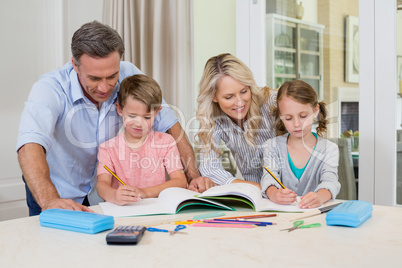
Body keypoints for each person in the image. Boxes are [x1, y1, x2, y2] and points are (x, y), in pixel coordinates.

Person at [16, 21, 202, 216]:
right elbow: (30, 144)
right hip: (55, 190)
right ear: (75, 65)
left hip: (101, 196)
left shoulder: (129, 73)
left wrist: (194, 177)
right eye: (94, 79)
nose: (104, 88)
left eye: (112, 76)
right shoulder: (49, 88)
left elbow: (169, 123)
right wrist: (49, 200)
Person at [96, 74, 187, 205]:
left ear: (157, 112)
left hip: (157, 210)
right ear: (120, 109)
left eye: (146, 117)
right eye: (132, 116)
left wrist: (144, 192)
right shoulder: (107, 148)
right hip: (122, 212)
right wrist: (114, 195)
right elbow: (101, 185)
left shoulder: (166, 142)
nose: (139, 123)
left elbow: (180, 181)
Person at [193, 53, 277, 189]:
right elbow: (210, 170)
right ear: (214, 97)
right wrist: (265, 190)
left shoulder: (272, 102)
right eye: (229, 97)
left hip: (296, 193)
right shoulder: (212, 117)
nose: (239, 102)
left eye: (244, 91)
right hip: (258, 195)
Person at [261, 80, 340, 209]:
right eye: (288, 118)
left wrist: (320, 197)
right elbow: (269, 180)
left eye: (303, 116)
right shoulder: (271, 146)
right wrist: (274, 193)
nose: (297, 124)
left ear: (315, 111)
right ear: (280, 116)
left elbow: (330, 182)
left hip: (315, 219)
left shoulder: (329, 149)